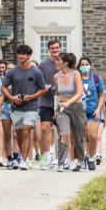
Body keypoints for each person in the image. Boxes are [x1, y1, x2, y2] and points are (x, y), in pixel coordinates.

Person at [1, 44, 48, 171]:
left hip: (31, 107)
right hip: (16, 107)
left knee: (27, 131)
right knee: (19, 134)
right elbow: (3, 87)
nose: (20, 56)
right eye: (19, 53)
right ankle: (25, 157)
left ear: (28, 56)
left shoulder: (36, 72)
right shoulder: (12, 71)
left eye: (23, 54)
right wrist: (12, 98)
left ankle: (23, 160)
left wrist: (31, 97)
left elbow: (43, 89)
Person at [53, 52, 87, 172]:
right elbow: (57, 94)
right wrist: (55, 109)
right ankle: (61, 162)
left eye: (58, 60)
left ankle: (80, 160)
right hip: (62, 108)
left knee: (78, 137)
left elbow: (79, 93)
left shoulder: (76, 74)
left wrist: (69, 102)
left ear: (65, 62)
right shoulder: (56, 76)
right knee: (63, 133)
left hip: (77, 107)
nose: (56, 62)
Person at [36, 39, 62, 169]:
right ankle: (47, 158)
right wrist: (43, 88)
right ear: (49, 50)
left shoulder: (66, 62)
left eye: (57, 48)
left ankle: (60, 158)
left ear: (60, 48)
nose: (55, 50)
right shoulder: (43, 64)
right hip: (46, 101)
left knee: (61, 130)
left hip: (61, 102)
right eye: (53, 48)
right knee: (45, 128)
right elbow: (38, 81)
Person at [79, 56, 106, 170]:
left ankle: (91, 157)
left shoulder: (96, 78)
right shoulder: (76, 78)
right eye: (82, 64)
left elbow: (101, 95)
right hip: (79, 111)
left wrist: (98, 109)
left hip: (92, 111)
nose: (85, 66)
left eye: (86, 64)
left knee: (93, 136)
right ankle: (82, 157)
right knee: (81, 136)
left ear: (90, 65)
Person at [0, 59, 16, 167]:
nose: (2, 70)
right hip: (2, 106)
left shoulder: (12, 77)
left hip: (14, 105)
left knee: (16, 133)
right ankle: (3, 156)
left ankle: (17, 156)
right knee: (2, 132)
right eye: (0, 68)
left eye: (4, 68)